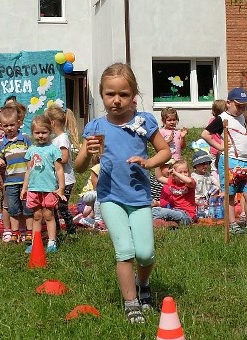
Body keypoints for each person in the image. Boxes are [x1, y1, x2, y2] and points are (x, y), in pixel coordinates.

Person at [74, 63, 171, 324]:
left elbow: (165, 151)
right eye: (110, 94)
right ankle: (131, 303)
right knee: (125, 250)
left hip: (139, 197)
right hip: (110, 197)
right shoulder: (95, 127)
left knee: (145, 253)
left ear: (133, 95)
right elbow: (79, 167)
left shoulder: (144, 122)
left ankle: (144, 284)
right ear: (102, 94)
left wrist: (149, 163)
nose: (116, 100)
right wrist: (87, 151)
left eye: (123, 94)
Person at [201, 88, 247, 235]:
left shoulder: (242, 117)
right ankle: (232, 223)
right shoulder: (222, 118)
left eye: (244, 106)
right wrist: (220, 147)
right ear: (228, 103)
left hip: (246, 161)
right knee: (229, 195)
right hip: (230, 161)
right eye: (238, 106)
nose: (241, 109)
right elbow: (205, 134)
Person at [22, 115, 66, 254]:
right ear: (32, 133)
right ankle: (36, 243)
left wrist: (61, 188)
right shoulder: (31, 150)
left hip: (49, 189)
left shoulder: (53, 149)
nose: (40, 136)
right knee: (36, 216)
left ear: (50, 131)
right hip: (34, 188)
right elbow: (28, 170)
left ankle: (52, 242)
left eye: (44, 132)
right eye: (37, 133)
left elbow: (59, 169)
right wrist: (24, 188)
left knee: (48, 215)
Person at [0, 107, 33, 243]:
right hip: (10, 182)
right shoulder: (2, 143)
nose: (9, 128)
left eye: (12, 124)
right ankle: (15, 232)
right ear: (1, 126)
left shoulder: (26, 139)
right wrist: (0, 161)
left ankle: (29, 232)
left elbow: (32, 155)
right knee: (13, 208)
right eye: (5, 126)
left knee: (28, 208)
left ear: (18, 123)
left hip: (26, 181)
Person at [44, 106, 80, 235]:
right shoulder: (54, 139)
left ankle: (71, 232)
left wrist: (50, 160)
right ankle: (57, 231)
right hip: (57, 180)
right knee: (53, 207)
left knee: (62, 207)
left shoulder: (62, 138)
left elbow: (64, 158)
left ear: (52, 122)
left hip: (66, 179)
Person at [152, 160, 197, 225]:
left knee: (156, 211)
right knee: (157, 211)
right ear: (173, 176)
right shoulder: (172, 182)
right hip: (176, 212)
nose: (183, 174)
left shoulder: (189, 184)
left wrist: (176, 173)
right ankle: (170, 224)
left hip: (187, 215)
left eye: (185, 172)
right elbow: (160, 177)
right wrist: (158, 164)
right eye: (180, 172)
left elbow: (189, 181)